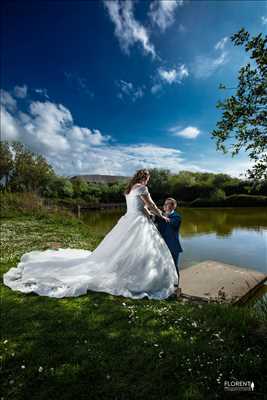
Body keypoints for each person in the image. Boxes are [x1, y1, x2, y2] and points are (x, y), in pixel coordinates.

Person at [3, 169, 179, 300]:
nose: (147, 181)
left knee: (122, 248)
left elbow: (139, 207)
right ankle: (142, 276)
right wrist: (161, 215)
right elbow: (152, 206)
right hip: (139, 222)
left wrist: (147, 212)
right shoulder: (143, 189)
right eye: (147, 178)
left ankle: (128, 269)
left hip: (129, 219)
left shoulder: (129, 189)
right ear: (144, 178)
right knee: (143, 249)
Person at [152, 198, 183, 296]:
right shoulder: (161, 216)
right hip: (161, 246)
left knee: (174, 267)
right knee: (161, 267)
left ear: (173, 206)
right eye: (164, 204)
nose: (164, 205)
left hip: (172, 246)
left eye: (167, 204)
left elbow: (170, 222)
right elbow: (152, 219)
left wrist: (160, 215)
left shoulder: (177, 217)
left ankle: (176, 287)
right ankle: (164, 286)